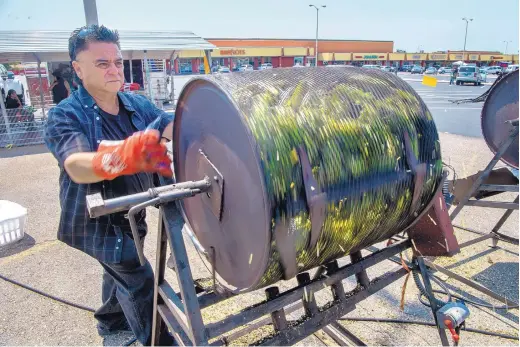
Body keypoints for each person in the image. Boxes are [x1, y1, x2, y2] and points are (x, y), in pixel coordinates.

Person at [44, 25, 177, 346]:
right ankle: (158, 342)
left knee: (117, 269)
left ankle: (111, 320)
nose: (114, 69)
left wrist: (194, 120)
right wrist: (122, 157)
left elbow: (168, 123)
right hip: (96, 220)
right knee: (138, 278)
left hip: (134, 211)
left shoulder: (136, 105)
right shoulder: (65, 115)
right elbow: (76, 164)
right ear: (78, 68)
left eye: (117, 62)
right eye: (102, 64)